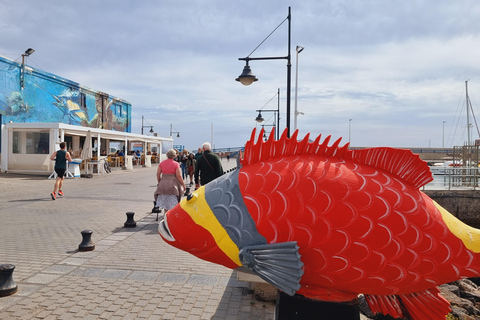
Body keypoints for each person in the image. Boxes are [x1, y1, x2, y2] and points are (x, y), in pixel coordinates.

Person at [154, 149, 185, 214]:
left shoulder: (162, 163)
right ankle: (170, 217)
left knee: (165, 203)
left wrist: (159, 182)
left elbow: (158, 173)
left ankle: (165, 215)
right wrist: (183, 184)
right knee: (172, 203)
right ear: (174, 156)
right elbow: (178, 176)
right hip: (172, 185)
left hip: (163, 184)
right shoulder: (176, 164)